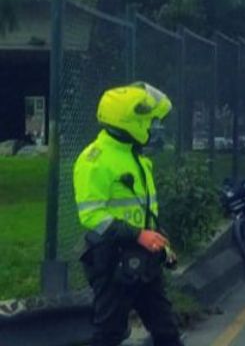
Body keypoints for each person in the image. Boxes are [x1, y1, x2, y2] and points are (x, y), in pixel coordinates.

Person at [73, 82, 183, 346]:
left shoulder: (137, 158)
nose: (155, 127)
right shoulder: (94, 160)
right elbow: (92, 216)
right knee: (109, 334)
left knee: (167, 331)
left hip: (144, 260)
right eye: (149, 121)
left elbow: (145, 211)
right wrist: (138, 235)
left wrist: (160, 243)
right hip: (112, 261)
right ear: (129, 122)